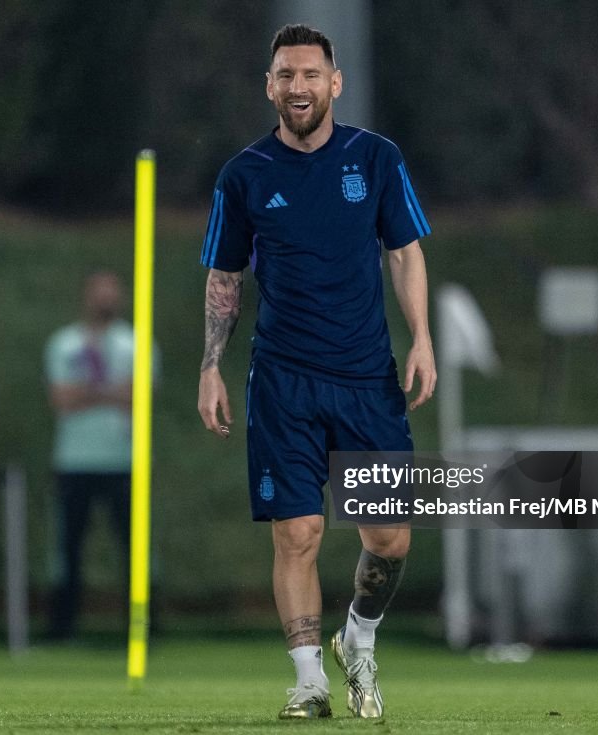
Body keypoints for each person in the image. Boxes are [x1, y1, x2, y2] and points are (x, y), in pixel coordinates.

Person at [196, 25, 437, 719]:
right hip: (283, 381)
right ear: (269, 87)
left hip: (367, 379)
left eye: (309, 74)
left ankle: (357, 635)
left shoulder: (377, 158)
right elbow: (224, 274)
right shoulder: (244, 174)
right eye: (284, 75)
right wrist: (211, 365)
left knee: (389, 538)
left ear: (335, 83)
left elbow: (404, 252)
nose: (296, 86)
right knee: (296, 532)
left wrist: (421, 338)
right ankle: (308, 679)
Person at [44, 271, 138, 640]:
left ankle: (141, 627)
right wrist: (112, 393)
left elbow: (139, 396)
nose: (105, 298)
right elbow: (61, 399)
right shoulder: (63, 343)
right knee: (67, 548)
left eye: (111, 291)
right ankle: (62, 628)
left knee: (134, 546)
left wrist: (87, 393)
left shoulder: (136, 342)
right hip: (74, 461)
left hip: (124, 461)